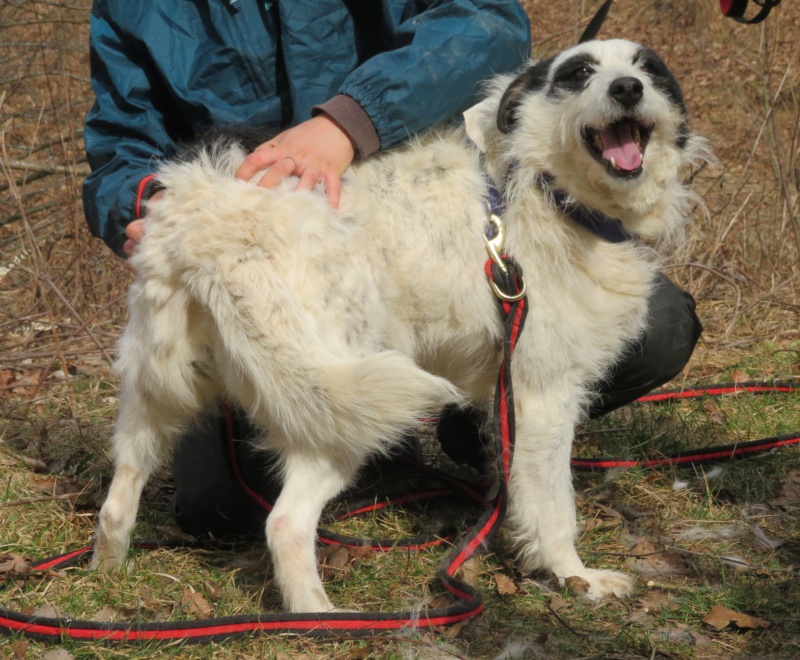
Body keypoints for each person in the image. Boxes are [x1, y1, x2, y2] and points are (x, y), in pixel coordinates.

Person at [82, 0, 700, 537]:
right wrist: (145, 203)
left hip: (431, 217)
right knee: (223, 507)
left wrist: (348, 123)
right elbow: (120, 146)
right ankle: (389, 417)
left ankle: (474, 419)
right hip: (264, 268)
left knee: (653, 326)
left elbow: (488, 20)